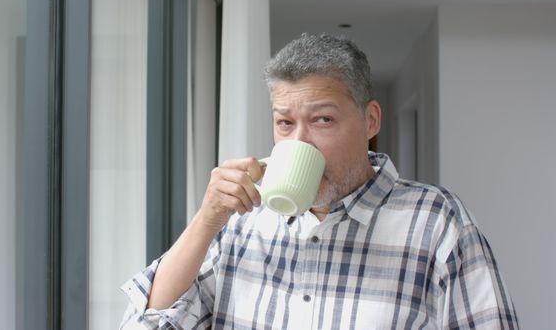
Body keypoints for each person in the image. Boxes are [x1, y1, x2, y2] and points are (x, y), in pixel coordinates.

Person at [120, 33, 518, 329]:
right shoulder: (240, 223)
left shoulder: (437, 222)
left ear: (371, 121)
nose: (299, 141)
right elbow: (147, 324)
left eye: (323, 120)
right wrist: (205, 221)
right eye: (285, 123)